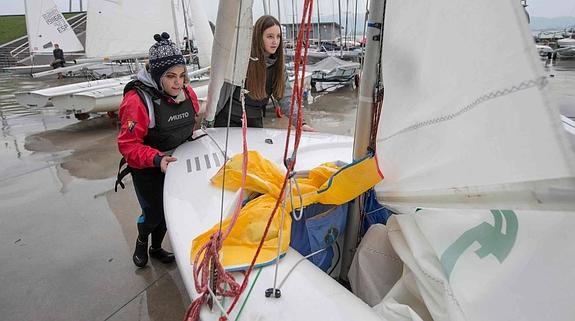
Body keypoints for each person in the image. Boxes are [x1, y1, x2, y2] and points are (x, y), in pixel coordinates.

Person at [117, 32, 201, 268]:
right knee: (153, 214)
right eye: (171, 76)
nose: (179, 83)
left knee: (170, 213)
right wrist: (156, 159)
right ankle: (142, 240)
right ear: (156, 76)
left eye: (182, 76)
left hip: (176, 164)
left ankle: (156, 248)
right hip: (148, 168)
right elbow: (128, 145)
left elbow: (190, 125)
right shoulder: (136, 101)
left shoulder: (187, 92)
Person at [213, 15, 314, 131]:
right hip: (227, 119)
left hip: (254, 120)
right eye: (270, 36)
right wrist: (210, 119)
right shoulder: (242, 60)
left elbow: (285, 98)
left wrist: (300, 123)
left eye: (278, 36)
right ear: (258, 37)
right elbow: (223, 91)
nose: (275, 41)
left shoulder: (278, 66)